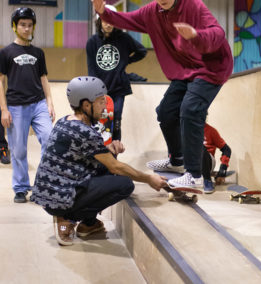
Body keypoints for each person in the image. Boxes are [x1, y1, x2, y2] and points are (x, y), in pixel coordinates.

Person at [92, 0, 233, 190]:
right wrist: (104, 13)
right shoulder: (152, 12)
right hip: (185, 70)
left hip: (211, 68)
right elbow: (127, 19)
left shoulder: (193, 5)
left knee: (190, 109)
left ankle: (194, 174)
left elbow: (218, 33)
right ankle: (176, 160)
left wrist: (196, 35)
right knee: (166, 112)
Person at [31, 76, 167, 246]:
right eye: (101, 102)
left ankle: (88, 225)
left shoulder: (65, 121)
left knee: (104, 167)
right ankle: (67, 218)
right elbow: (116, 167)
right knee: (125, 184)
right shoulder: (86, 132)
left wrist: (108, 149)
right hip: (58, 200)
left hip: (49, 193)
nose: (105, 108)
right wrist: (149, 179)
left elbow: (82, 153)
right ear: (86, 105)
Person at [0, 7, 55, 203]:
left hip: (39, 104)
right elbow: (0, 80)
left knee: (50, 140)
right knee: (19, 150)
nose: (26, 28)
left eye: (29, 25)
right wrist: (4, 109)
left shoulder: (38, 53)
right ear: (15, 26)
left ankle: (42, 185)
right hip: (15, 106)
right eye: (22, 24)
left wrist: (49, 103)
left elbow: (44, 78)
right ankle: (21, 188)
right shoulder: (6, 52)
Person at [87, 4, 147, 141]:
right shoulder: (92, 42)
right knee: (101, 122)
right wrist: (95, 91)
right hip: (100, 89)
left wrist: (125, 61)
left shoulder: (124, 38)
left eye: (111, 21)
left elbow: (142, 51)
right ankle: (101, 153)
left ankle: (114, 153)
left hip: (119, 87)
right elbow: (91, 69)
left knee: (116, 119)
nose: (108, 24)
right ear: (99, 21)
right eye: (105, 20)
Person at [202, 123, 231, 193]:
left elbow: (226, 150)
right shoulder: (186, 129)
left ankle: (207, 180)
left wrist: (222, 170)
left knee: (199, 147)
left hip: (208, 161)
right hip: (192, 162)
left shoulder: (211, 131)